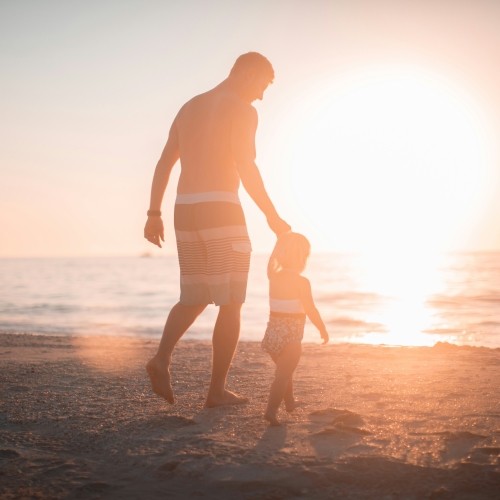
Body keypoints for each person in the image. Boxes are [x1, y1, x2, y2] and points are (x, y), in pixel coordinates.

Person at [144, 52, 291, 407]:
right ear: (249, 73)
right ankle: (216, 392)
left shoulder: (189, 106)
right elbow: (246, 165)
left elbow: (165, 161)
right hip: (221, 209)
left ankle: (161, 359)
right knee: (231, 301)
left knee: (194, 297)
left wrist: (153, 212)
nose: (261, 96)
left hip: (185, 210)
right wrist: (272, 216)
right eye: (262, 85)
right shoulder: (242, 110)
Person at [262, 232, 329, 426]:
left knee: (285, 371)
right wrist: (322, 328)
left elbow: (270, 262)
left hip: (272, 336)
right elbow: (310, 309)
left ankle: (290, 402)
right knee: (282, 375)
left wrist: (279, 243)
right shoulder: (302, 282)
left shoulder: (273, 276)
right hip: (291, 337)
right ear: (303, 258)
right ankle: (271, 411)